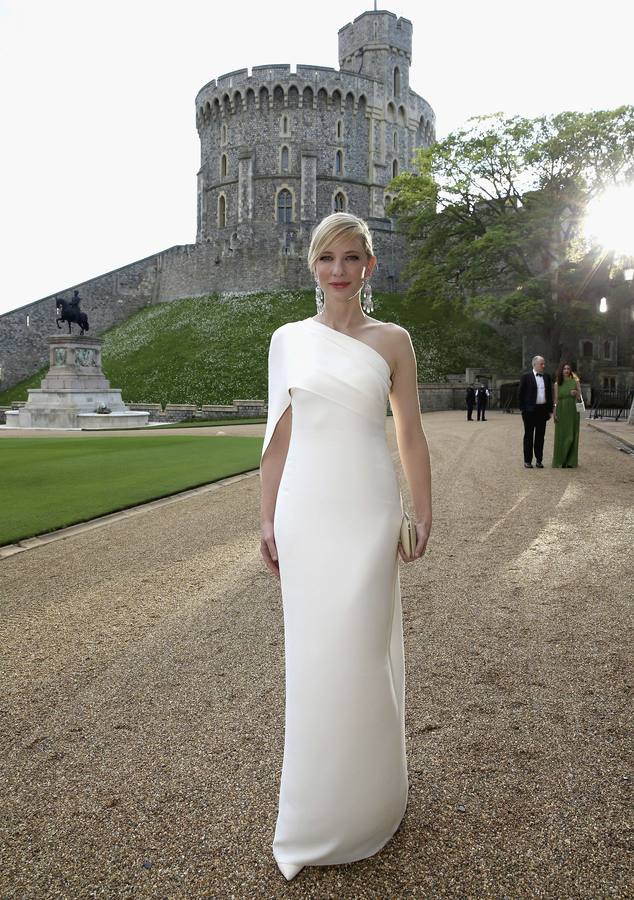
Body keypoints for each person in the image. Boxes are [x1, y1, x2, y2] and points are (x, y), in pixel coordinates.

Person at [259, 212, 432, 881]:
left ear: (369, 267)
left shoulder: (394, 341)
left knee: (362, 653)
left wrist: (423, 508)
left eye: (351, 257)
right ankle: (313, 815)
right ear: (313, 266)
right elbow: (277, 438)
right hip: (305, 513)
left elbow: (409, 434)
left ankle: (372, 801)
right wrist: (266, 519)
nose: (339, 270)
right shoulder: (287, 342)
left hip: (366, 511)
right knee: (313, 663)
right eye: (327, 257)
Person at [518, 355, 553, 468]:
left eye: (544, 363)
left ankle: (539, 460)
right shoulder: (526, 377)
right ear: (534, 365)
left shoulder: (547, 377)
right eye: (541, 364)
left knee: (540, 436)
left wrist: (550, 410)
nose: (543, 365)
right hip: (529, 411)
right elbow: (520, 394)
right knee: (528, 435)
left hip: (542, 410)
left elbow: (549, 394)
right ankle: (527, 461)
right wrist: (523, 409)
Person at [552, 362, 582, 467]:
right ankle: (561, 460)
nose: (566, 370)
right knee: (562, 435)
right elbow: (555, 400)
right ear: (561, 370)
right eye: (564, 368)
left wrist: (576, 393)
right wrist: (554, 413)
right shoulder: (557, 384)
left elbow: (580, 398)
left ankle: (571, 461)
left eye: (568, 368)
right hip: (561, 410)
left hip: (573, 411)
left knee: (572, 436)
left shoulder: (575, 382)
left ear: (570, 370)